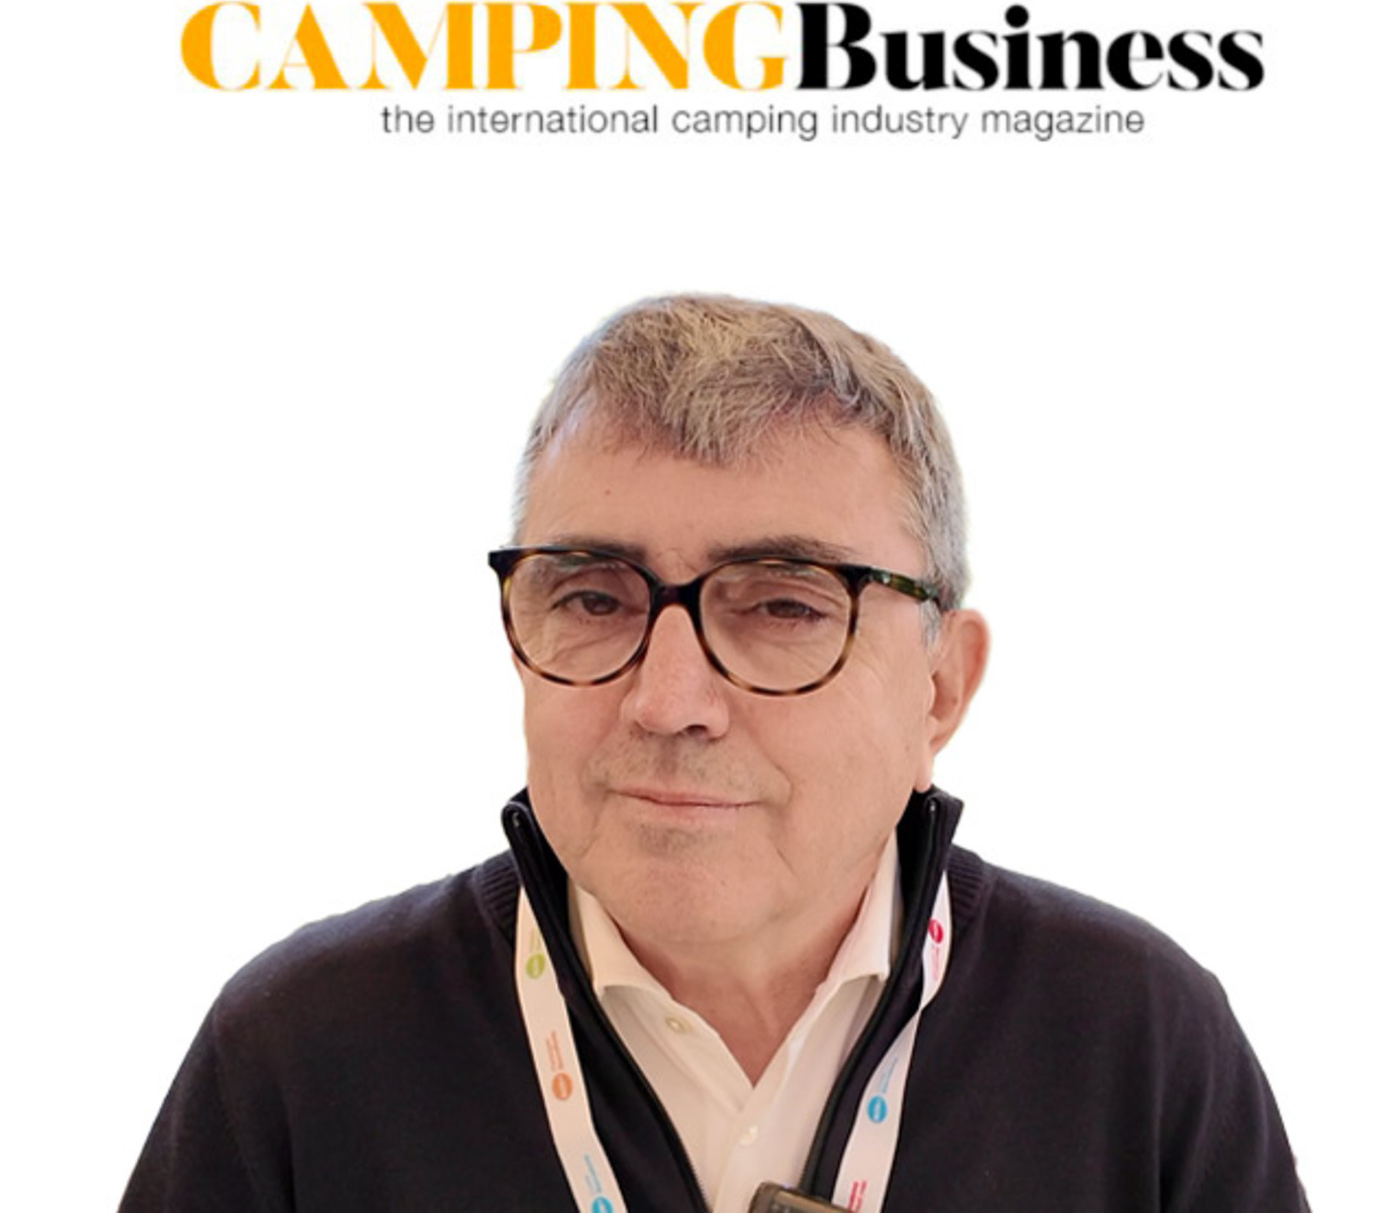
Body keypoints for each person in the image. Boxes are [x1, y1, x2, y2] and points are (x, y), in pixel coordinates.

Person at [120, 295, 1309, 1213]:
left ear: (939, 688)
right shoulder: (303, 1050)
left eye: (783, 604)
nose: (667, 699)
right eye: (592, 597)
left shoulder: (1133, 1038)